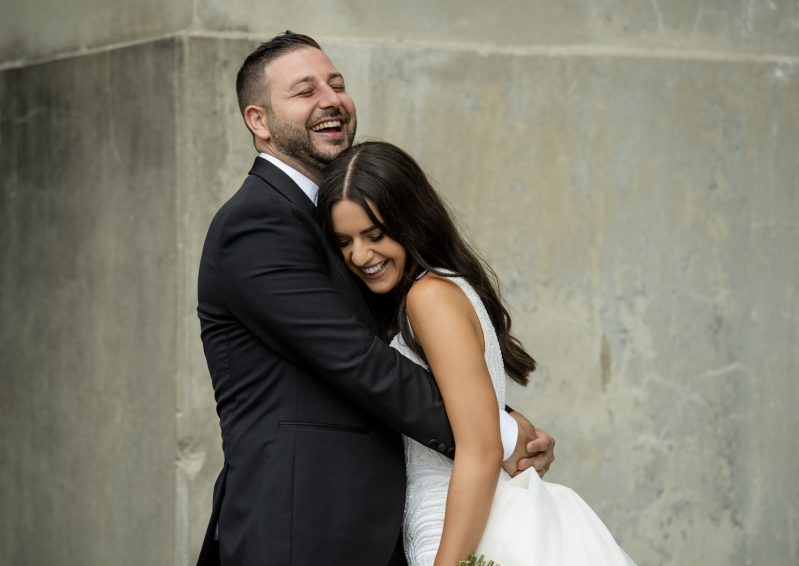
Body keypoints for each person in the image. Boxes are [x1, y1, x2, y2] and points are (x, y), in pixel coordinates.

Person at [195, 32, 555, 566]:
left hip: (373, 529)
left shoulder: (340, 220)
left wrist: (492, 420)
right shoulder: (256, 224)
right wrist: (496, 431)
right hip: (302, 527)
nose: (330, 99)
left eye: (336, 84)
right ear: (259, 121)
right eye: (304, 90)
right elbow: (356, 360)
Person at [317, 141, 636, 566]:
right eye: (345, 241)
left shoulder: (428, 297)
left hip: (461, 531)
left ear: (410, 221)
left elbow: (482, 448)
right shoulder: (438, 291)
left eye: (375, 235)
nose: (360, 255)